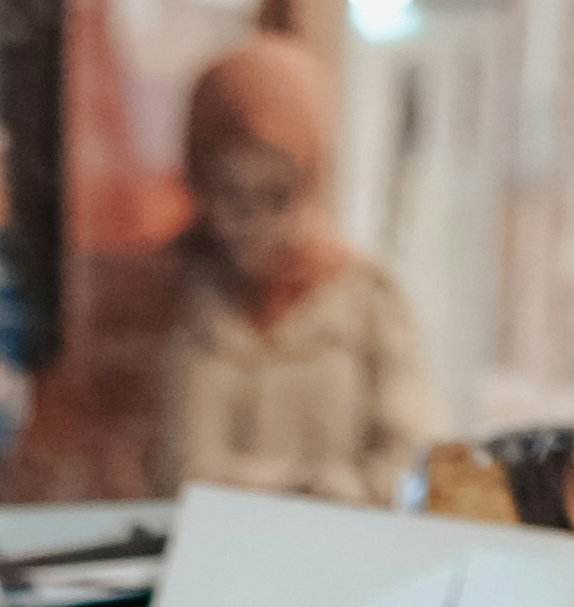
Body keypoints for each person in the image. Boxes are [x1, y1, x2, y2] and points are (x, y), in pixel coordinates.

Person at [154, 35, 429, 503]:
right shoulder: (175, 296)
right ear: (199, 184)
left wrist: (328, 490)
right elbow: (170, 470)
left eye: (277, 196)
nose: (254, 224)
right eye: (231, 196)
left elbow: (412, 460)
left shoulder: (366, 302)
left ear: (310, 182)